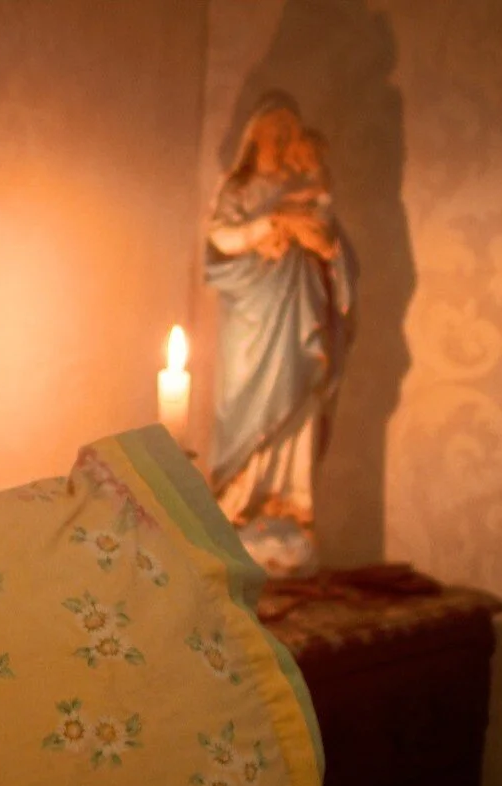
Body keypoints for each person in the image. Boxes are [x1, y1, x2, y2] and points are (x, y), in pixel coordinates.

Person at [204, 93, 355, 574]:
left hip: (299, 322)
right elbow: (221, 238)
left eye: (289, 135)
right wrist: (272, 223)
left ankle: (287, 506)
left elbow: (335, 252)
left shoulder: (309, 191)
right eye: (274, 134)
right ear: (254, 140)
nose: (282, 143)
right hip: (253, 319)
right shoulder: (238, 190)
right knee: (246, 404)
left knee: (296, 407)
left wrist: (321, 242)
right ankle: (239, 505)